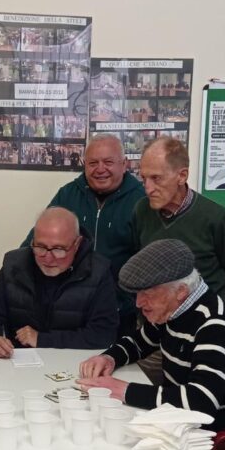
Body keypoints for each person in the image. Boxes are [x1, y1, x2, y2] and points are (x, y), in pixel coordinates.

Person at [78, 239, 225, 450]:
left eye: (147, 294)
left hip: (220, 449)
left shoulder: (215, 324)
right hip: (185, 432)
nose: (139, 303)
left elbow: (200, 403)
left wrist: (124, 390)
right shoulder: (175, 310)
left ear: (181, 291)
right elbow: (140, 341)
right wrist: (109, 357)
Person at [21, 134, 146, 335]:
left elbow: (150, 263)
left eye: (108, 162)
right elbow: (33, 244)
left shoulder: (142, 201)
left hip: (120, 313)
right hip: (67, 311)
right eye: (93, 163)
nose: (100, 169)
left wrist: (128, 302)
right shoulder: (68, 194)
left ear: (124, 164)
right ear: (84, 164)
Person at [0, 208, 118, 357]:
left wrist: (43, 339)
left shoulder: (98, 271)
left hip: (76, 362)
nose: (48, 258)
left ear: (77, 244)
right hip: (20, 363)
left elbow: (103, 335)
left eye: (59, 249)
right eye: (40, 247)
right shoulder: (14, 265)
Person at [134, 137, 225, 303]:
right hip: (156, 320)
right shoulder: (141, 210)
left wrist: (213, 308)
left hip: (203, 321)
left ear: (182, 176)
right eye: (143, 179)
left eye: (156, 178)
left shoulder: (218, 219)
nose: (148, 188)